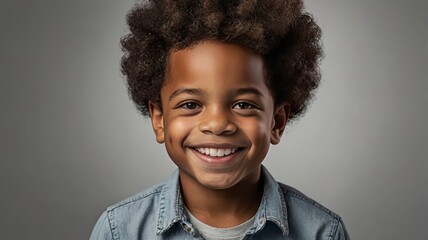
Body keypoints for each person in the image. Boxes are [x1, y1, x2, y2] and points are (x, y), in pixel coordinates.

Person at [90, 0, 350, 239]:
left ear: (276, 122)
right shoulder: (119, 231)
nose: (216, 124)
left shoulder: (322, 233)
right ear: (159, 120)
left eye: (243, 104)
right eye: (190, 104)